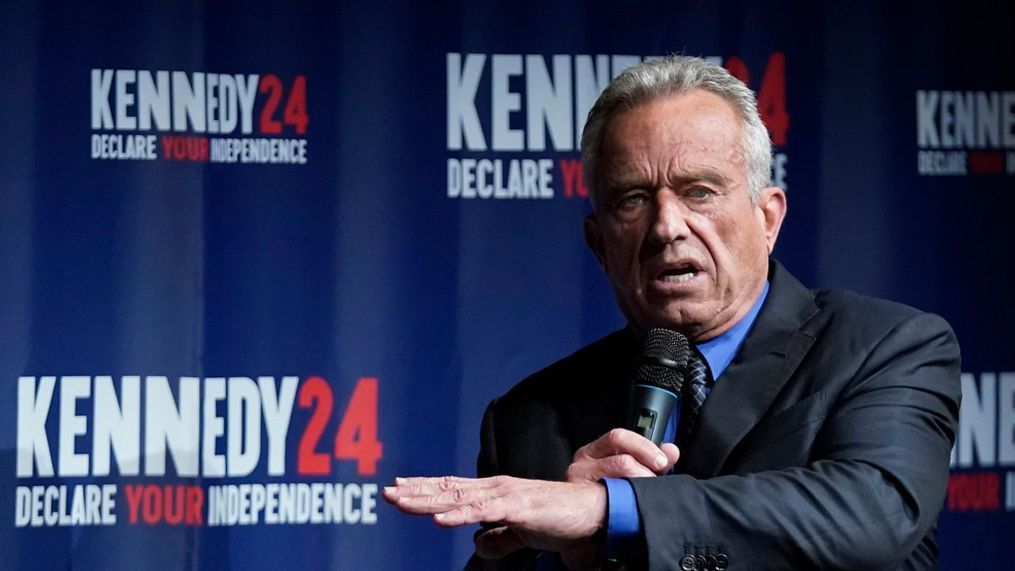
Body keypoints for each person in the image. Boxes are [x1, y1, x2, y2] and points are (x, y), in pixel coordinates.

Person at [383, 55, 961, 570]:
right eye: (633, 199)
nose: (666, 226)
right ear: (598, 243)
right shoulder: (531, 419)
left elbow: (875, 512)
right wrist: (569, 559)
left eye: (700, 191)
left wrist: (613, 509)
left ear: (768, 218)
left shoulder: (886, 347)